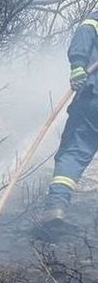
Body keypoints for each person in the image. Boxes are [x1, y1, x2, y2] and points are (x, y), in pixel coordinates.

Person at [38, 12, 98, 240]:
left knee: (73, 152)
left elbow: (82, 40)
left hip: (92, 101)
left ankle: (57, 207)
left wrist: (78, 66)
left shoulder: (94, 19)